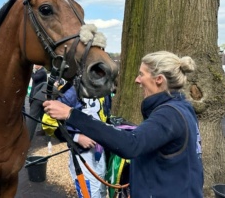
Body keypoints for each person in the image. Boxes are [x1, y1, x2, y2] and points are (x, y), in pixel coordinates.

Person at [43, 51, 204, 197]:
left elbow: (131, 144)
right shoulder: (182, 107)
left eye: (141, 74)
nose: (137, 80)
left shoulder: (169, 114)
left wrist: (71, 114)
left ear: (159, 79)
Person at [58, 85, 111, 198]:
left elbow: (104, 118)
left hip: (100, 151)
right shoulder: (71, 91)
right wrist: (77, 137)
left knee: (101, 191)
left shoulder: (104, 90)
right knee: (90, 194)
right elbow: (49, 123)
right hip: (82, 154)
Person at [26, 64, 48, 140]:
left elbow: (35, 78)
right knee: (42, 116)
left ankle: (28, 138)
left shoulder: (42, 72)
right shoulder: (39, 71)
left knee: (33, 118)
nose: (34, 65)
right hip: (36, 96)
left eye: (36, 64)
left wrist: (31, 71)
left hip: (38, 97)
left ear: (40, 65)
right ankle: (45, 132)